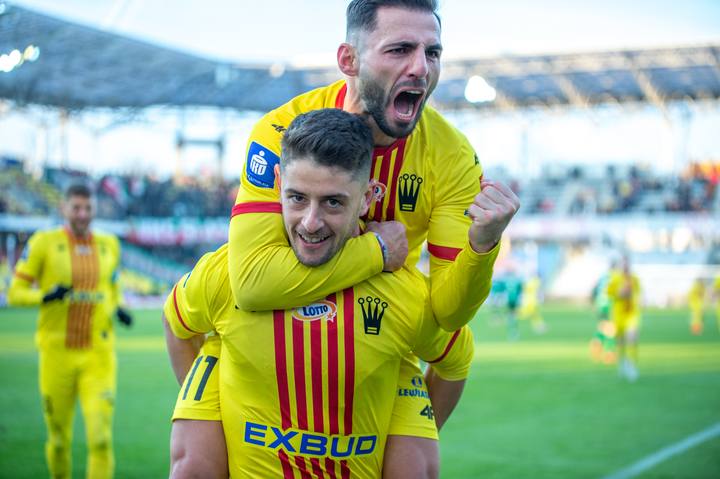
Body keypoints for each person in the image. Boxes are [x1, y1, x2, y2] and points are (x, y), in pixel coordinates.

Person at [223, 0, 518, 471]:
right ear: (349, 60)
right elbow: (254, 283)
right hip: (272, 328)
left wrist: (482, 247)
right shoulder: (281, 130)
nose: (420, 68)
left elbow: (450, 313)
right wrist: (378, 250)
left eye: (432, 52)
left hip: (384, 333)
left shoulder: (451, 155)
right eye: (400, 49)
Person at [165, 109, 474, 478]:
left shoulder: (403, 294)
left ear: (367, 198)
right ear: (277, 183)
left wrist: (409, 430)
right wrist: (208, 410)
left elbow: (455, 362)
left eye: (333, 202)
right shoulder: (228, 275)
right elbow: (176, 323)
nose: (311, 223)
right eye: (297, 198)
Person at [8, 184, 132, 479]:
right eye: (76, 208)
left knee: (101, 439)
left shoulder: (109, 244)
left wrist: (119, 308)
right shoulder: (43, 243)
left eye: (88, 208)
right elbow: (15, 293)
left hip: (98, 355)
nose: (83, 214)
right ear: (63, 208)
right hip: (56, 354)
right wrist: (46, 296)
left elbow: (112, 289)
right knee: (59, 440)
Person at [606, 256, 641, 382]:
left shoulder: (635, 279)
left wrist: (638, 300)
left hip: (631, 314)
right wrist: (619, 294)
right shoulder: (615, 278)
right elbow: (608, 293)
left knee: (632, 338)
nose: (625, 267)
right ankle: (622, 363)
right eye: (623, 265)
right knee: (620, 342)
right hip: (618, 315)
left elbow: (639, 293)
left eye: (627, 264)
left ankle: (631, 365)